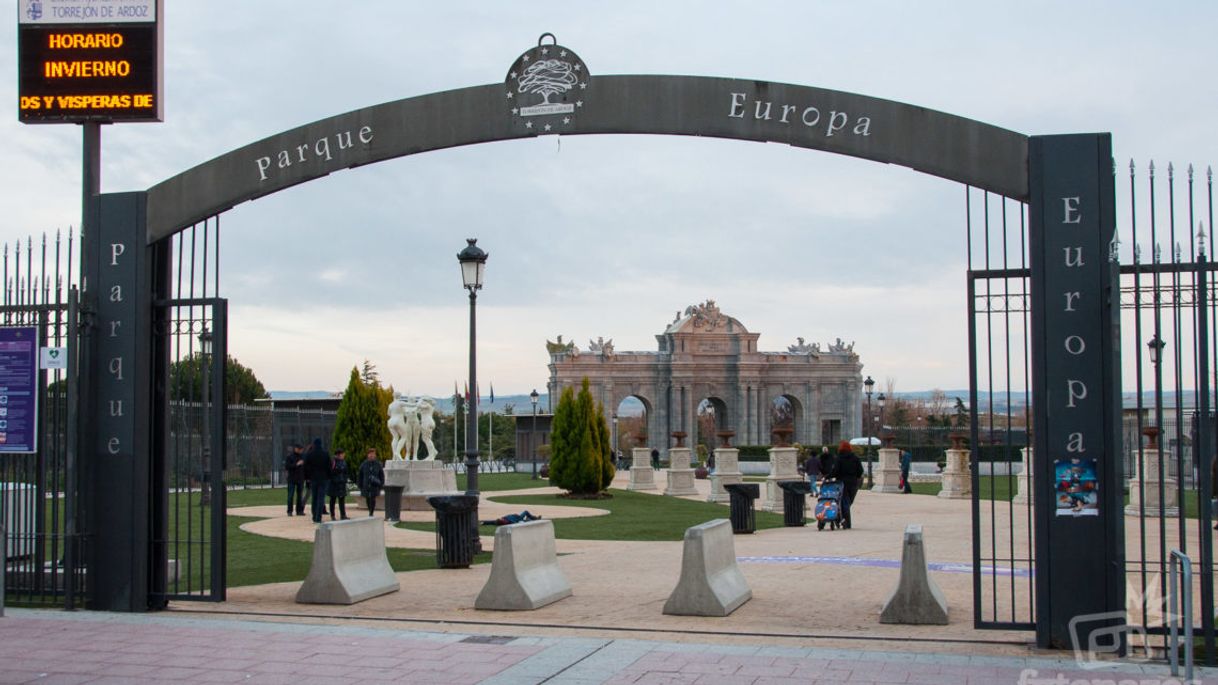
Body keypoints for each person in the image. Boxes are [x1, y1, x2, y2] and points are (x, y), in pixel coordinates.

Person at [833, 441, 864, 529]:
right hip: (853, 483)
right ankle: (844, 520)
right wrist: (856, 476)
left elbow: (835, 471)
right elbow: (860, 471)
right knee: (849, 502)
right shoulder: (855, 458)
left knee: (844, 502)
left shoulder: (839, 458)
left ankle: (841, 519)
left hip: (842, 483)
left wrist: (829, 476)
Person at [303, 437, 331, 523]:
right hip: (323, 478)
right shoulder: (325, 454)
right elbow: (329, 466)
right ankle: (319, 517)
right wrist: (328, 477)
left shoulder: (310, 454)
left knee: (314, 498)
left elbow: (305, 467)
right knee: (321, 498)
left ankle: (314, 515)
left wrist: (307, 477)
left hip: (313, 479)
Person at [358, 448, 385, 517]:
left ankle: (371, 512)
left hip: (374, 485)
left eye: (373, 454)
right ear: (368, 455)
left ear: (375, 455)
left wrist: (381, 484)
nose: (371, 455)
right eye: (370, 454)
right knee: (367, 498)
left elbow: (381, 475)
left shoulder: (378, 464)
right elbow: (360, 475)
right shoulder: (364, 464)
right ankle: (370, 510)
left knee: (373, 498)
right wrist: (360, 485)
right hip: (366, 485)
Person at [328, 448, 350, 520]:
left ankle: (343, 515)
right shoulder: (333, 462)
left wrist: (345, 479)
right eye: (342, 454)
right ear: (339, 455)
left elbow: (346, 472)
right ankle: (332, 515)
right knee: (333, 500)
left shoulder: (344, 462)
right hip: (334, 484)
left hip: (342, 483)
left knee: (342, 500)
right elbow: (330, 472)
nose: (344, 455)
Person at [284, 444, 305, 515]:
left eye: (301, 449)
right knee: (290, 495)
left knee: (300, 496)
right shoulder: (290, 457)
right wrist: (296, 464)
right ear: (296, 449)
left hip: (300, 479)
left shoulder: (303, 456)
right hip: (292, 479)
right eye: (300, 449)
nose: (301, 451)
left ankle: (299, 511)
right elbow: (287, 466)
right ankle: (289, 511)